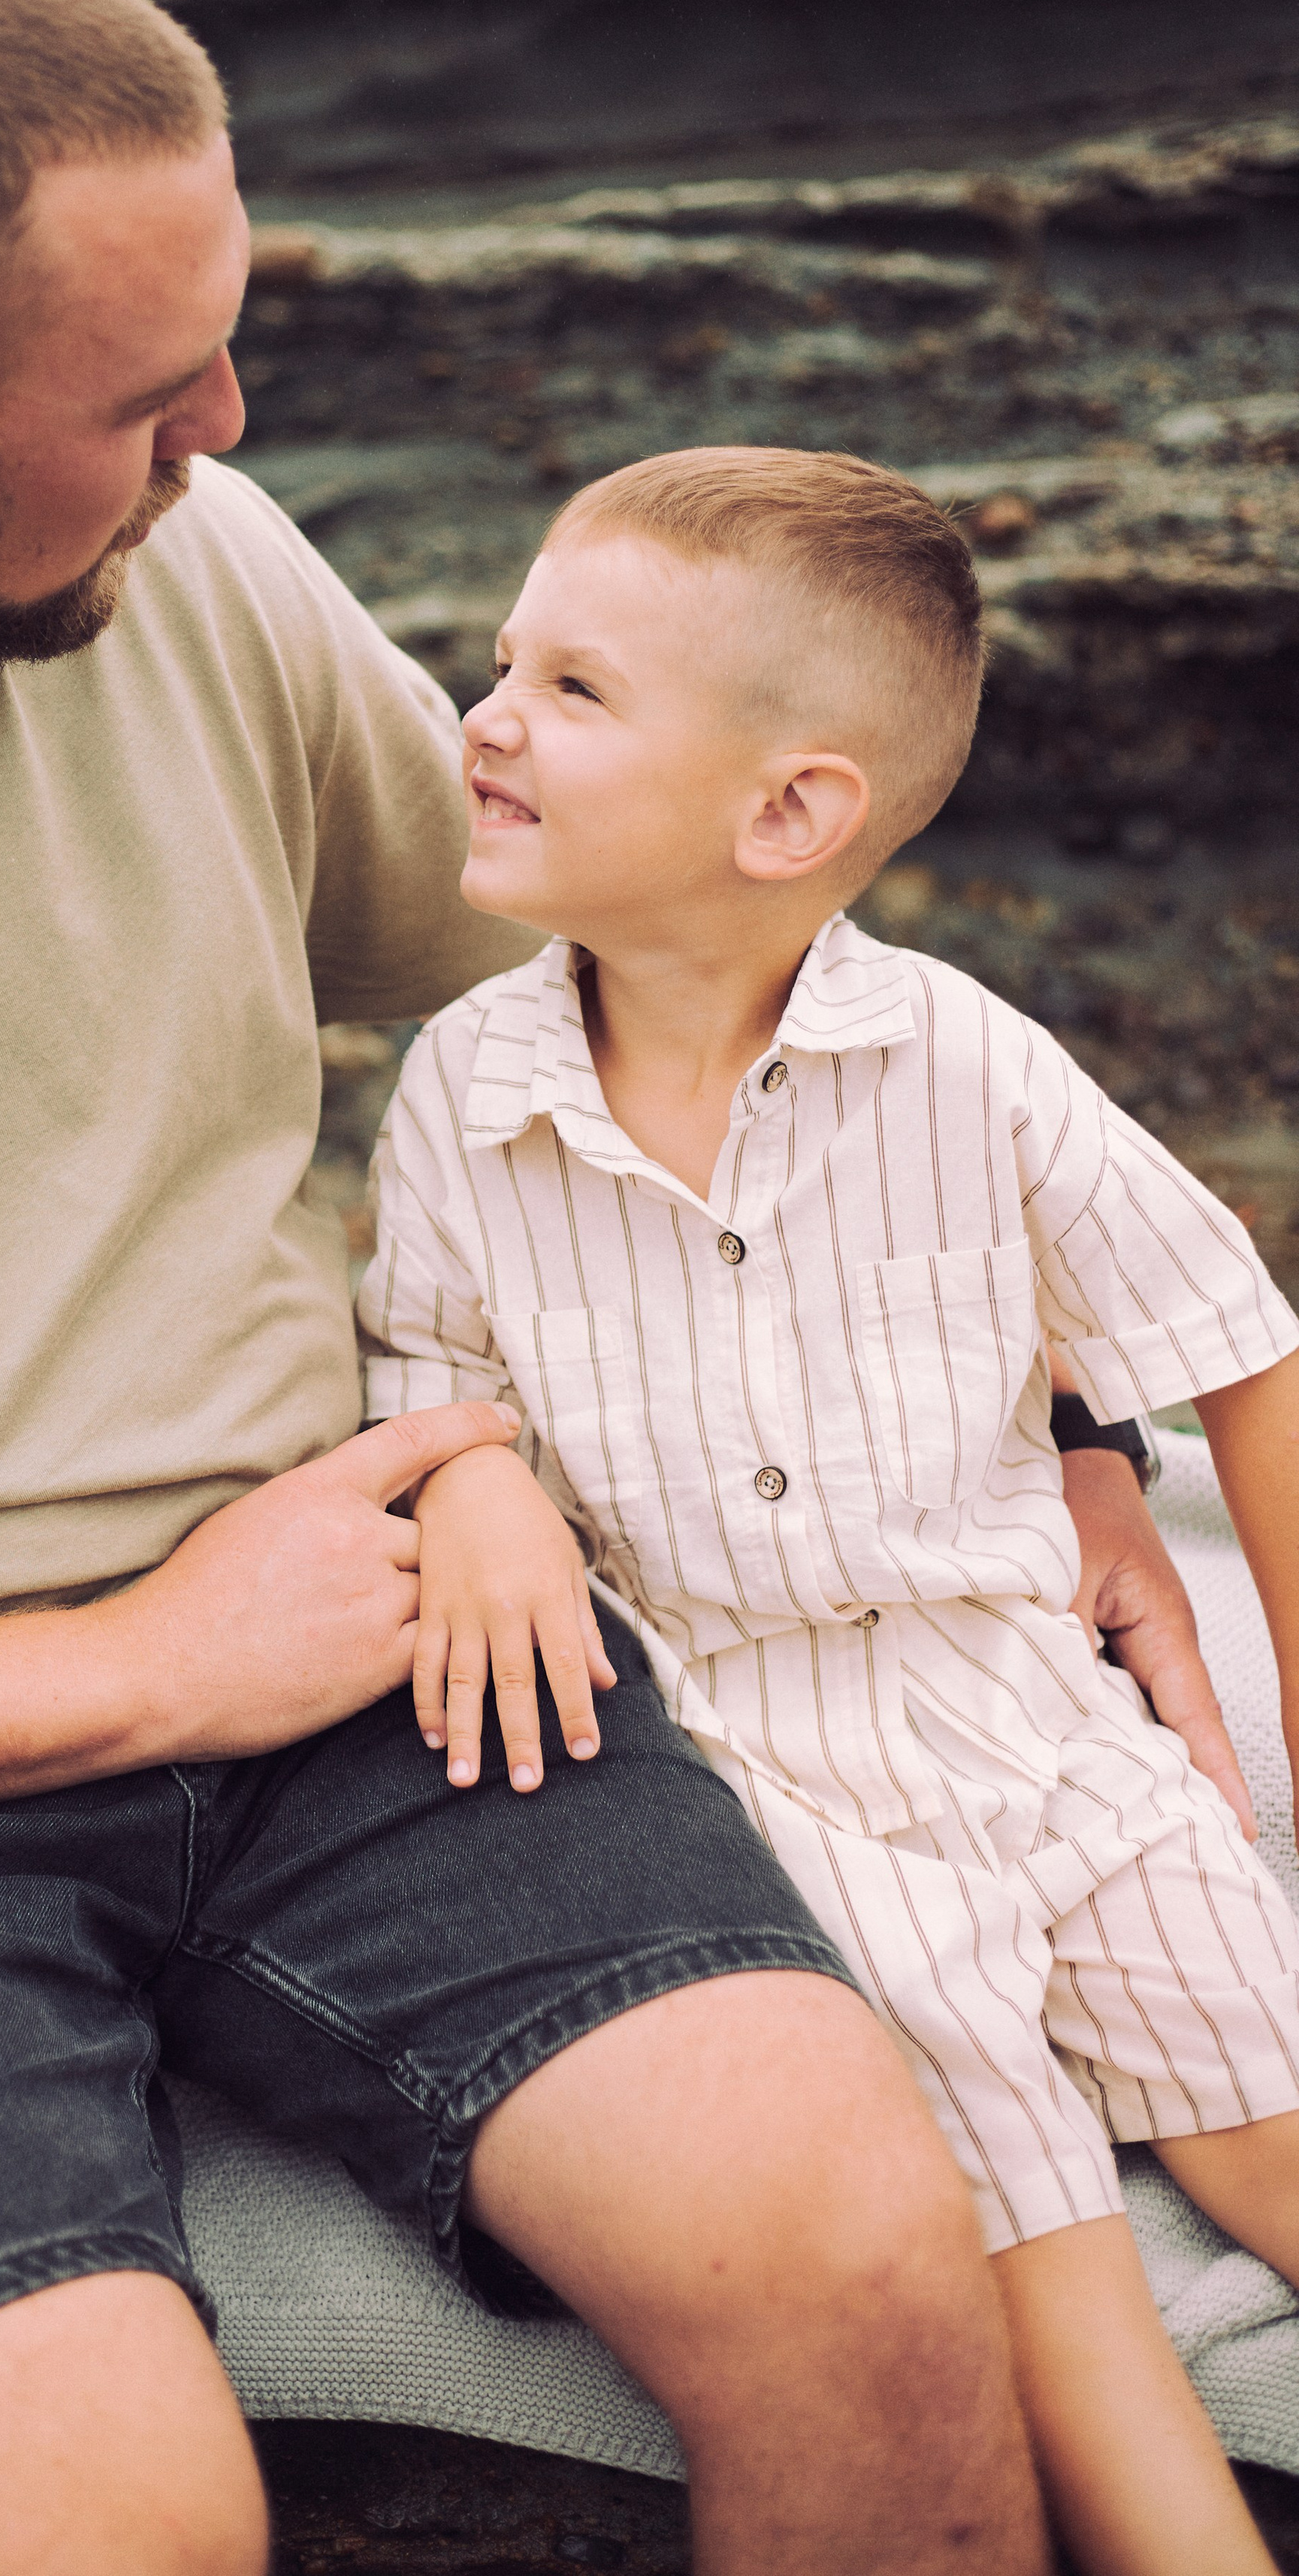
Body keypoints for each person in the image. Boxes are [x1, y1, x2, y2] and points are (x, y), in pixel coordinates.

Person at [0, 0, 1214, 2576]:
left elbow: (678, 998)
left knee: (861, 2267)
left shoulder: (184, 557)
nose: (226, 433)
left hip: (398, 1663)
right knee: (99, 2524)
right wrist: (144, 1665)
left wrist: (1064, 1421)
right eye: (148, 393)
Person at [357, 444, 1299, 2576]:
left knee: (1261, 2096)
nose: (484, 718)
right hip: (765, 1780)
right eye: (503, 663)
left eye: (571, 689)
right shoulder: (464, 1096)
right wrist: (474, 1475)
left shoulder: (970, 1066)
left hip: (1035, 1717)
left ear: (787, 813)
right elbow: (426, 1360)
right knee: (1040, 2235)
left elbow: (1238, 1341)